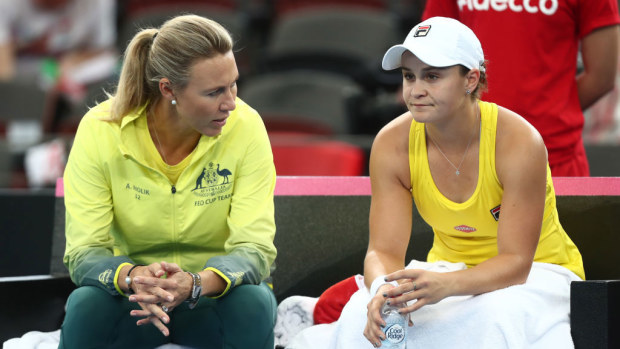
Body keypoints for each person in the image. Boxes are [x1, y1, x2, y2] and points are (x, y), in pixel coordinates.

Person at [288, 17, 585, 348]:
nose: (416, 90)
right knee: (364, 312)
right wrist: (382, 288)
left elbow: (516, 264)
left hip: (539, 273)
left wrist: (446, 284)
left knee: (494, 317)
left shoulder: (519, 141)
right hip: (446, 269)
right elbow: (383, 250)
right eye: (408, 76)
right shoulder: (391, 143)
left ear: (471, 79)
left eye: (432, 76)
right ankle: (318, 314)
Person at [59, 14, 277, 348]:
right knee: (85, 303)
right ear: (168, 89)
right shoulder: (99, 129)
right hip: (136, 301)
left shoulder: (246, 126)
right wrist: (133, 278)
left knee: (255, 302)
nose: (231, 102)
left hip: (210, 296)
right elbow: (83, 252)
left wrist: (195, 283)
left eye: (234, 84)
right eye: (214, 92)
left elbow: (255, 249)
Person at [420, 0, 620, 177]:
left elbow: (601, 77)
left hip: (555, 158)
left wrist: (551, 113)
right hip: (468, 156)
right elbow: (431, 54)